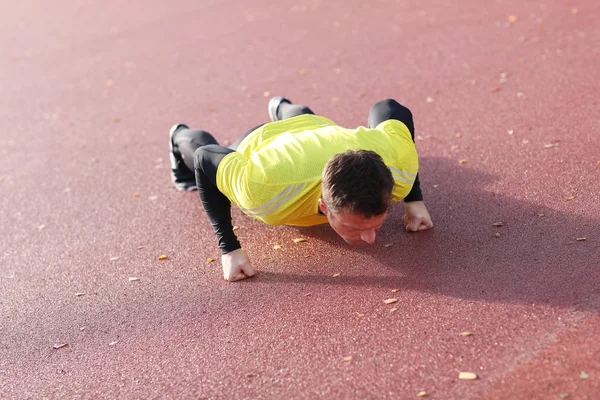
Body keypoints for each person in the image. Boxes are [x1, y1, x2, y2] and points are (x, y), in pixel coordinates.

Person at [168, 97, 433, 281]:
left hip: (317, 130)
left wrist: (413, 197)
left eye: (376, 225)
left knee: (307, 119)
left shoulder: (399, 167)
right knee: (205, 155)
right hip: (260, 143)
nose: (370, 240)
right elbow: (206, 157)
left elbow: (388, 106)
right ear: (323, 205)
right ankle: (179, 135)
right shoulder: (262, 187)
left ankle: (283, 107)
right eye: (355, 228)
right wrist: (229, 249)